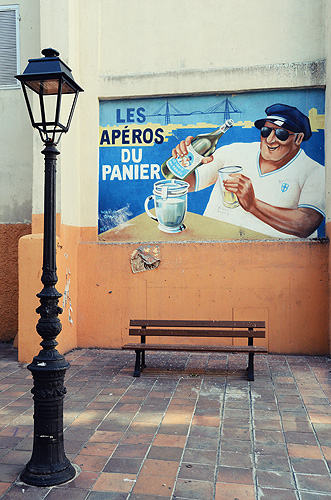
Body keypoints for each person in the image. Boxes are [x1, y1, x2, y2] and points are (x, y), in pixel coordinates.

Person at [171, 103, 325, 238]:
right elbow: (187, 185)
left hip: (269, 262)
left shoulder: (314, 172)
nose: (270, 139)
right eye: (266, 131)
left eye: (280, 134)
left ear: (298, 139)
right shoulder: (234, 151)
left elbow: (306, 224)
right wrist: (184, 162)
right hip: (212, 250)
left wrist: (253, 205)